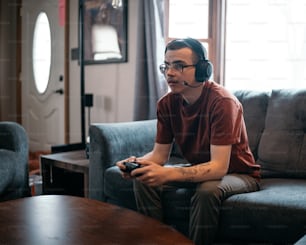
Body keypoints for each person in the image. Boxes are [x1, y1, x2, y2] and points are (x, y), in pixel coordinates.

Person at [116, 37, 261, 245]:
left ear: (203, 70)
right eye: (166, 66)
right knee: (144, 177)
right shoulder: (166, 104)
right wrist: (137, 164)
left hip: (239, 174)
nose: (170, 73)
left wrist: (167, 173)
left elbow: (219, 168)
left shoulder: (223, 102)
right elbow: (159, 156)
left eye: (180, 66)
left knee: (207, 191)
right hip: (201, 169)